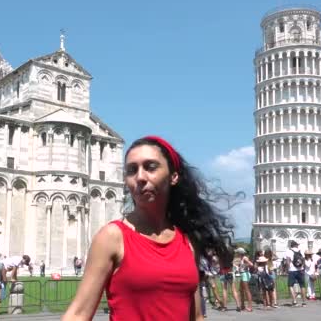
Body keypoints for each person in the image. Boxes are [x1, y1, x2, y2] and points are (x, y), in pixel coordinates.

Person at [62, 136, 233, 320]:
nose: (140, 177)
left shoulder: (187, 241)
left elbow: (196, 316)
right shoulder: (112, 237)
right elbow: (78, 314)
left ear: (173, 176)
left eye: (151, 167)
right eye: (131, 170)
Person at [284, 240, 307, 306]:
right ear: (296, 245)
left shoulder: (288, 251)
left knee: (290, 285)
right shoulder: (301, 251)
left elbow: (288, 261)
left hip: (292, 270)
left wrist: (287, 269)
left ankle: (294, 300)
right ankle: (304, 302)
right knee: (302, 286)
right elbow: (303, 260)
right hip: (300, 269)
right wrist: (303, 268)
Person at [235, 247, 253, 312]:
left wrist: (245, 266)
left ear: (240, 253)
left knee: (247, 290)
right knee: (241, 290)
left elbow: (251, 264)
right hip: (242, 274)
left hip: (245, 274)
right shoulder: (240, 258)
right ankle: (242, 305)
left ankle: (250, 306)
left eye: (237, 253)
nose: (236, 254)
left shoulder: (245, 258)